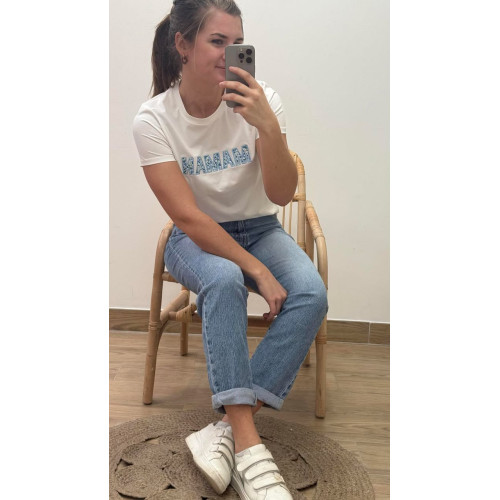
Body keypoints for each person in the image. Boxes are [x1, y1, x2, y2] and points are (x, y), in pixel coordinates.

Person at [133, 1, 328, 498]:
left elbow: (281, 194)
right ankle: (248, 443)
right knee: (223, 279)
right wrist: (256, 270)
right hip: (194, 238)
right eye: (216, 41)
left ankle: (224, 428)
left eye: (237, 42)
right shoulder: (154, 119)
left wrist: (267, 126)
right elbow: (188, 217)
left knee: (311, 292)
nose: (229, 53)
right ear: (183, 44)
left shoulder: (263, 101)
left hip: (260, 226)